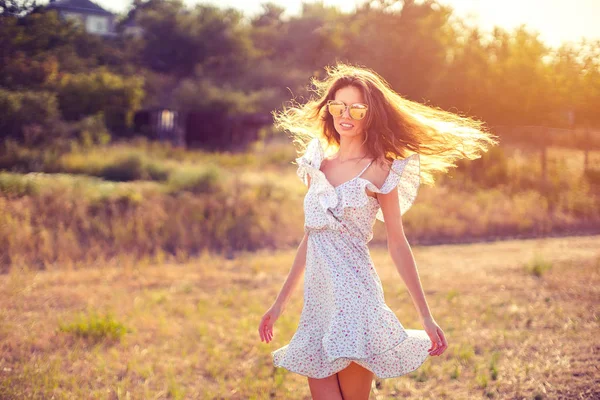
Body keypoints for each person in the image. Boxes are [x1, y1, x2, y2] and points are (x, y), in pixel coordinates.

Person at [258, 63, 498, 399]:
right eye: (338, 105)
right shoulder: (317, 165)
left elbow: (398, 243)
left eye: (357, 107)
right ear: (329, 110)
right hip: (318, 304)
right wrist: (278, 305)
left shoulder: (381, 170)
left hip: (357, 302)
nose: (346, 114)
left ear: (371, 114)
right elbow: (312, 237)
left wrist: (425, 316)